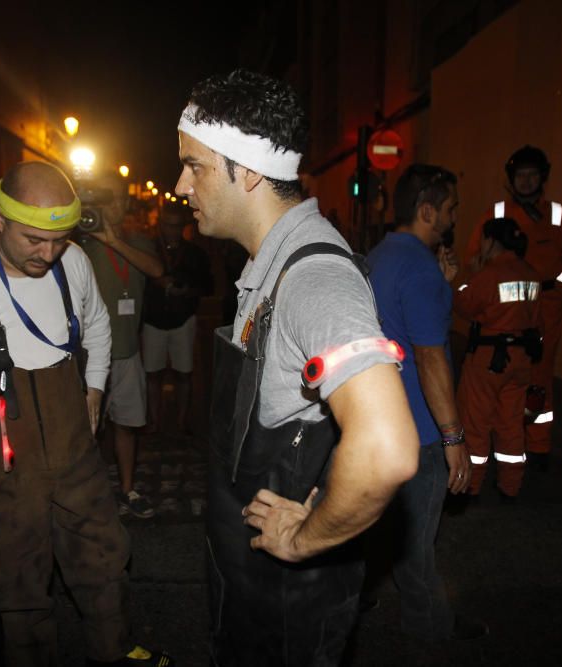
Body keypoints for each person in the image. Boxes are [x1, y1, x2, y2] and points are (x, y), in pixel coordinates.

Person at [175, 69, 419, 666]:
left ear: (247, 171)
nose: (181, 185)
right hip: (246, 579)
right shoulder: (271, 260)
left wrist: (306, 538)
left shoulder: (314, 278)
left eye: (194, 166)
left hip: (288, 604)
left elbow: (387, 448)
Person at [0, 161, 172, 667]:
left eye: (59, 240)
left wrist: (94, 388)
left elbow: (98, 327)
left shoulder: (75, 261)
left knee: (103, 550)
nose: (48, 254)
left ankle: (114, 650)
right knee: (15, 572)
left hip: (73, 442)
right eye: (34, 240)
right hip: (1, 455)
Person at [366, 163, 487, 642]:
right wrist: (453, 437)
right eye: (451, 208)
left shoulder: (380, 256)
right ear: (427, 211)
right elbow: (430, 355)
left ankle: (354, 598)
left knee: (375, 524)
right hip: (418, 430)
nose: (455, 218)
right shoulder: (418, 268)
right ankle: (430, 628)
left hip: (377, 422)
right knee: (416, 544)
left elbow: (400, 321)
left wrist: (443, 286)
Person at [464, 146, 562, 469]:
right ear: (511, 179)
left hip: (545, 307)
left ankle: (538, 443)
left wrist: (554, 288)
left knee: (540, 375)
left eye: (533, 175)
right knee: (497, 376)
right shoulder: (496, 213)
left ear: (543, 177)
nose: (527, 181)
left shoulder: (558, 216)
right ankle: (498, 442)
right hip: (503, 311)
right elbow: (474, 259)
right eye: (521, 175)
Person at [79, 173, 164, 519]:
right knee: (88, 430)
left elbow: (155, 269)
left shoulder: (138, 242)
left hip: (128, 352)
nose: (112, 205)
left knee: (127, 425)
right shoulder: (82, 243)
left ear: (127, 202)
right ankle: (90, 494)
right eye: (105, 198)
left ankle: (128, 489)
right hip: (89, 358)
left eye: (118, 198)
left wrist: (113, 241)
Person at [454, 218, 541, 502]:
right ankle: (510, 486)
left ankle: (471, 486)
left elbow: (464, 305)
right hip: (521, 359)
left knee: (476, 421)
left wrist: (468, 276)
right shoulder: (531, 274)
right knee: (511, 423)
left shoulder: (489, 274)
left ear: (490, 241)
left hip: (489, 358)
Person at [142, 206, 213, 436]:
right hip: (153, 320)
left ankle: (182, 423)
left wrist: (186, 291)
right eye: (167, 225)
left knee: (184, 373)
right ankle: (154, 423)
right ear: (160, 225)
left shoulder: (195, 253)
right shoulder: (148, 249)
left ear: (183, 227)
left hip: (183, 320)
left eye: (176, 226)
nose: (171, 231)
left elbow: (207, 286)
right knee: (153, 374)